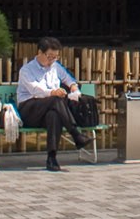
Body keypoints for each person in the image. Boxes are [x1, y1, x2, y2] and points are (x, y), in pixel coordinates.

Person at [14, 37, 96, 172]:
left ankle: (52, 158)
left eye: (55, 57)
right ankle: (76, 134)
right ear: (39, 52)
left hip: (49, 108)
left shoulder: (55, 67)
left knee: (54, 115)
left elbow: (68, 78)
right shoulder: (27, 70)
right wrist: (53, 92)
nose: (52, 60)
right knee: (56, 100)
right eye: (49, 56)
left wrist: (74, 87)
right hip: (29, 109)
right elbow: (36, 90)